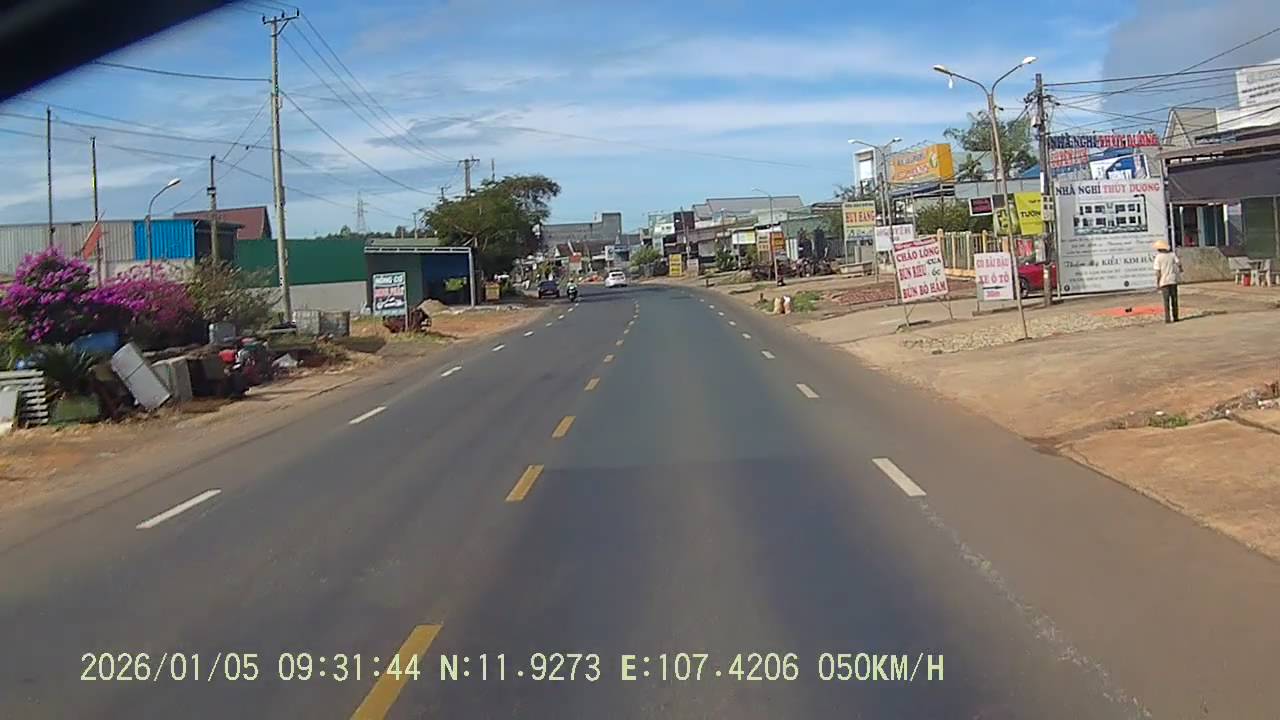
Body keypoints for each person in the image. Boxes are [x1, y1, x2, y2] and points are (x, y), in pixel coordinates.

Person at [1153, 240, 1181, 323]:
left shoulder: (1158, 257)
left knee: (1166, 301)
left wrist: (1158, 283)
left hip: (1164, 281)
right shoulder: (1172, 255)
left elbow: (1158, 272)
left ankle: (1167, 318)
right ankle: (1176, 317)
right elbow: (1179, 263)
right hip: (1172, 280)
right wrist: (1181, 269)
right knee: (1174, 300)